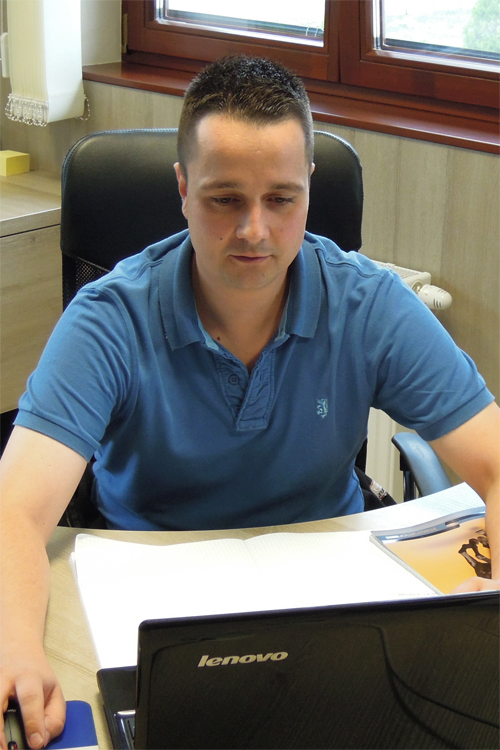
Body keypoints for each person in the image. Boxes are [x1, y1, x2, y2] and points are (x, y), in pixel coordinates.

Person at [0, 54, 499, 749]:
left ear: (309, 189)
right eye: (225, 199)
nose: (255, 230)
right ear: (183, 188)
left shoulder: (370, 305)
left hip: (334, 611)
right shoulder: (110, 319)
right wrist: (15, 647)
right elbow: (15, 511)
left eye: (281, 199)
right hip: (143, 605)